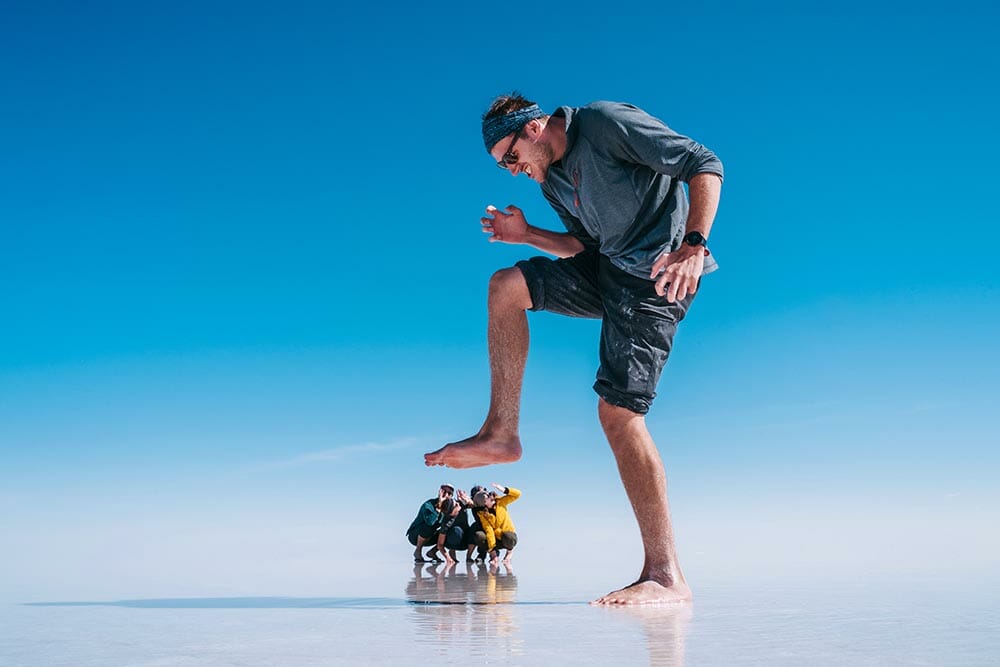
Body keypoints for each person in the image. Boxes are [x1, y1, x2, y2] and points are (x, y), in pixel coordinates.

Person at [424, 93, 724, 605]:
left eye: (511, 158)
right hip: (606, 273)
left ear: (536, 127)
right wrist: (527, 235)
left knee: (619, 415)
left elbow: (704, 163)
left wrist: (692, 245)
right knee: (506, 286)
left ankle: (666, 575)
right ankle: (501, 434)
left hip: (657, 279)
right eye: (505, 166)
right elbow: (582, 247)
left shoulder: (605, 123)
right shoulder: (555, 179)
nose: (514, 172)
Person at [470, 483, 520, 565]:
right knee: (479, 535)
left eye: (488, 494)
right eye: (488, 498)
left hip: (507, 537)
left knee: (508, 536)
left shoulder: (500, 501)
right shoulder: (482, 514)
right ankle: (488, 555)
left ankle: (509, 552)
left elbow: (518, 494)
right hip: (496, 540)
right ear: (484, 503)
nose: (490, 496)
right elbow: (489, 530)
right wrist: (493, 554)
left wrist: (504, 490)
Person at [406, 484, 454, 562]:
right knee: (430, 526)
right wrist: (439, 506)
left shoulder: (450, 508)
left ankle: (432, 552)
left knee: (451, 531)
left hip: (431, 537)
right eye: (444, 492)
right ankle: (418, 551)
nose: (446, 495)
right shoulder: (428, 505)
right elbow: (430, 522)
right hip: (415, 535)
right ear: (440, 492)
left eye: (449, 493)